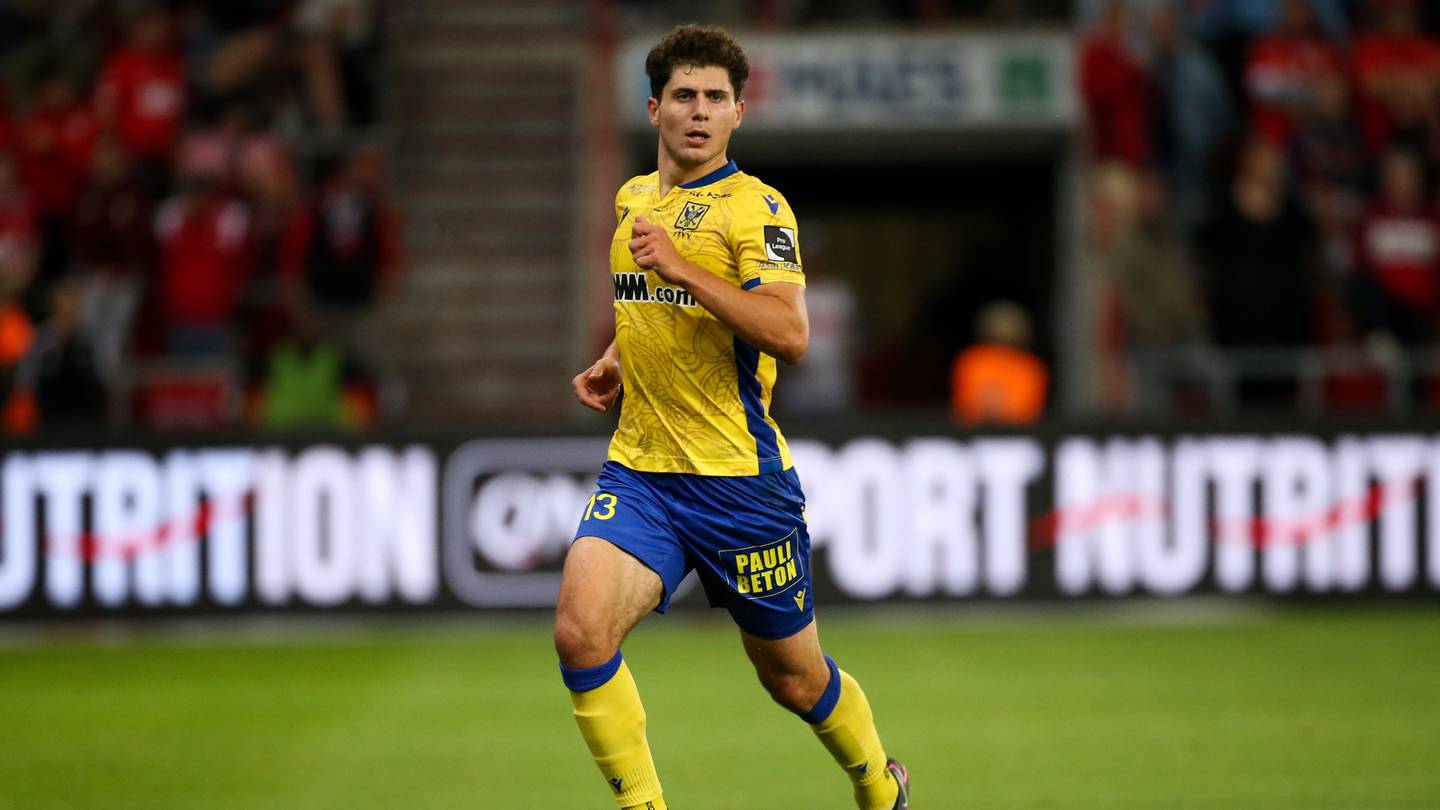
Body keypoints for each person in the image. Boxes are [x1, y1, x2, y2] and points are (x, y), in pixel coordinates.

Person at [558, 25, 908, 810]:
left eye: (717, 98)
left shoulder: (756, 209)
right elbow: (649, 299)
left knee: (792, 678)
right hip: (643, 471)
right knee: (580, 634)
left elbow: (790, 332)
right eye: (685, 95)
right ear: (654, 108)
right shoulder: (633, 198)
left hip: (740, 485)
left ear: (738, 115)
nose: (700, 111)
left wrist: (679, 265)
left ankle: (880, 786)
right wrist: (618, 355)